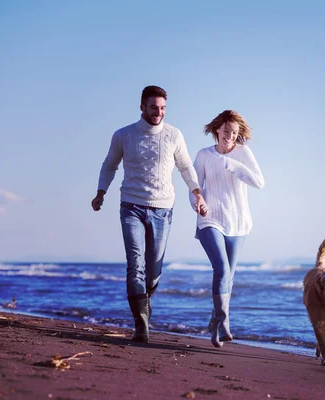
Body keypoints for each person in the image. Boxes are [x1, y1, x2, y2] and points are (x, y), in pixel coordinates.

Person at [91, 85, 206, 343]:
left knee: (153, 270)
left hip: (163, 208)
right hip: (131, 205)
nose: (159, 112)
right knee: (135, 265)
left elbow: (185, 166)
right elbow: (109, 165)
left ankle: (146, 301)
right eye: (154, 107)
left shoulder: (174, 135)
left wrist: (196, 191)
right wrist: (101, 192)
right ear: (142, 107)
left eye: (163, 108)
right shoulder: (124, 135)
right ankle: (141, 324)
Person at [191, 110, 264, 347]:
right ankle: (224, 322)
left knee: (227, 277)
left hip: (238, 222)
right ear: (217, 130)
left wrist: (233, 165)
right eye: (226, 131)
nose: (230, 136)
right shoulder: (203, 155)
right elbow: (194, 186)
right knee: (222, 269)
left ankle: (215, 326)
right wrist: (197, 203)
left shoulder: (243, 153)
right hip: (210, 219)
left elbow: (259, 183)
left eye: (234, 133)